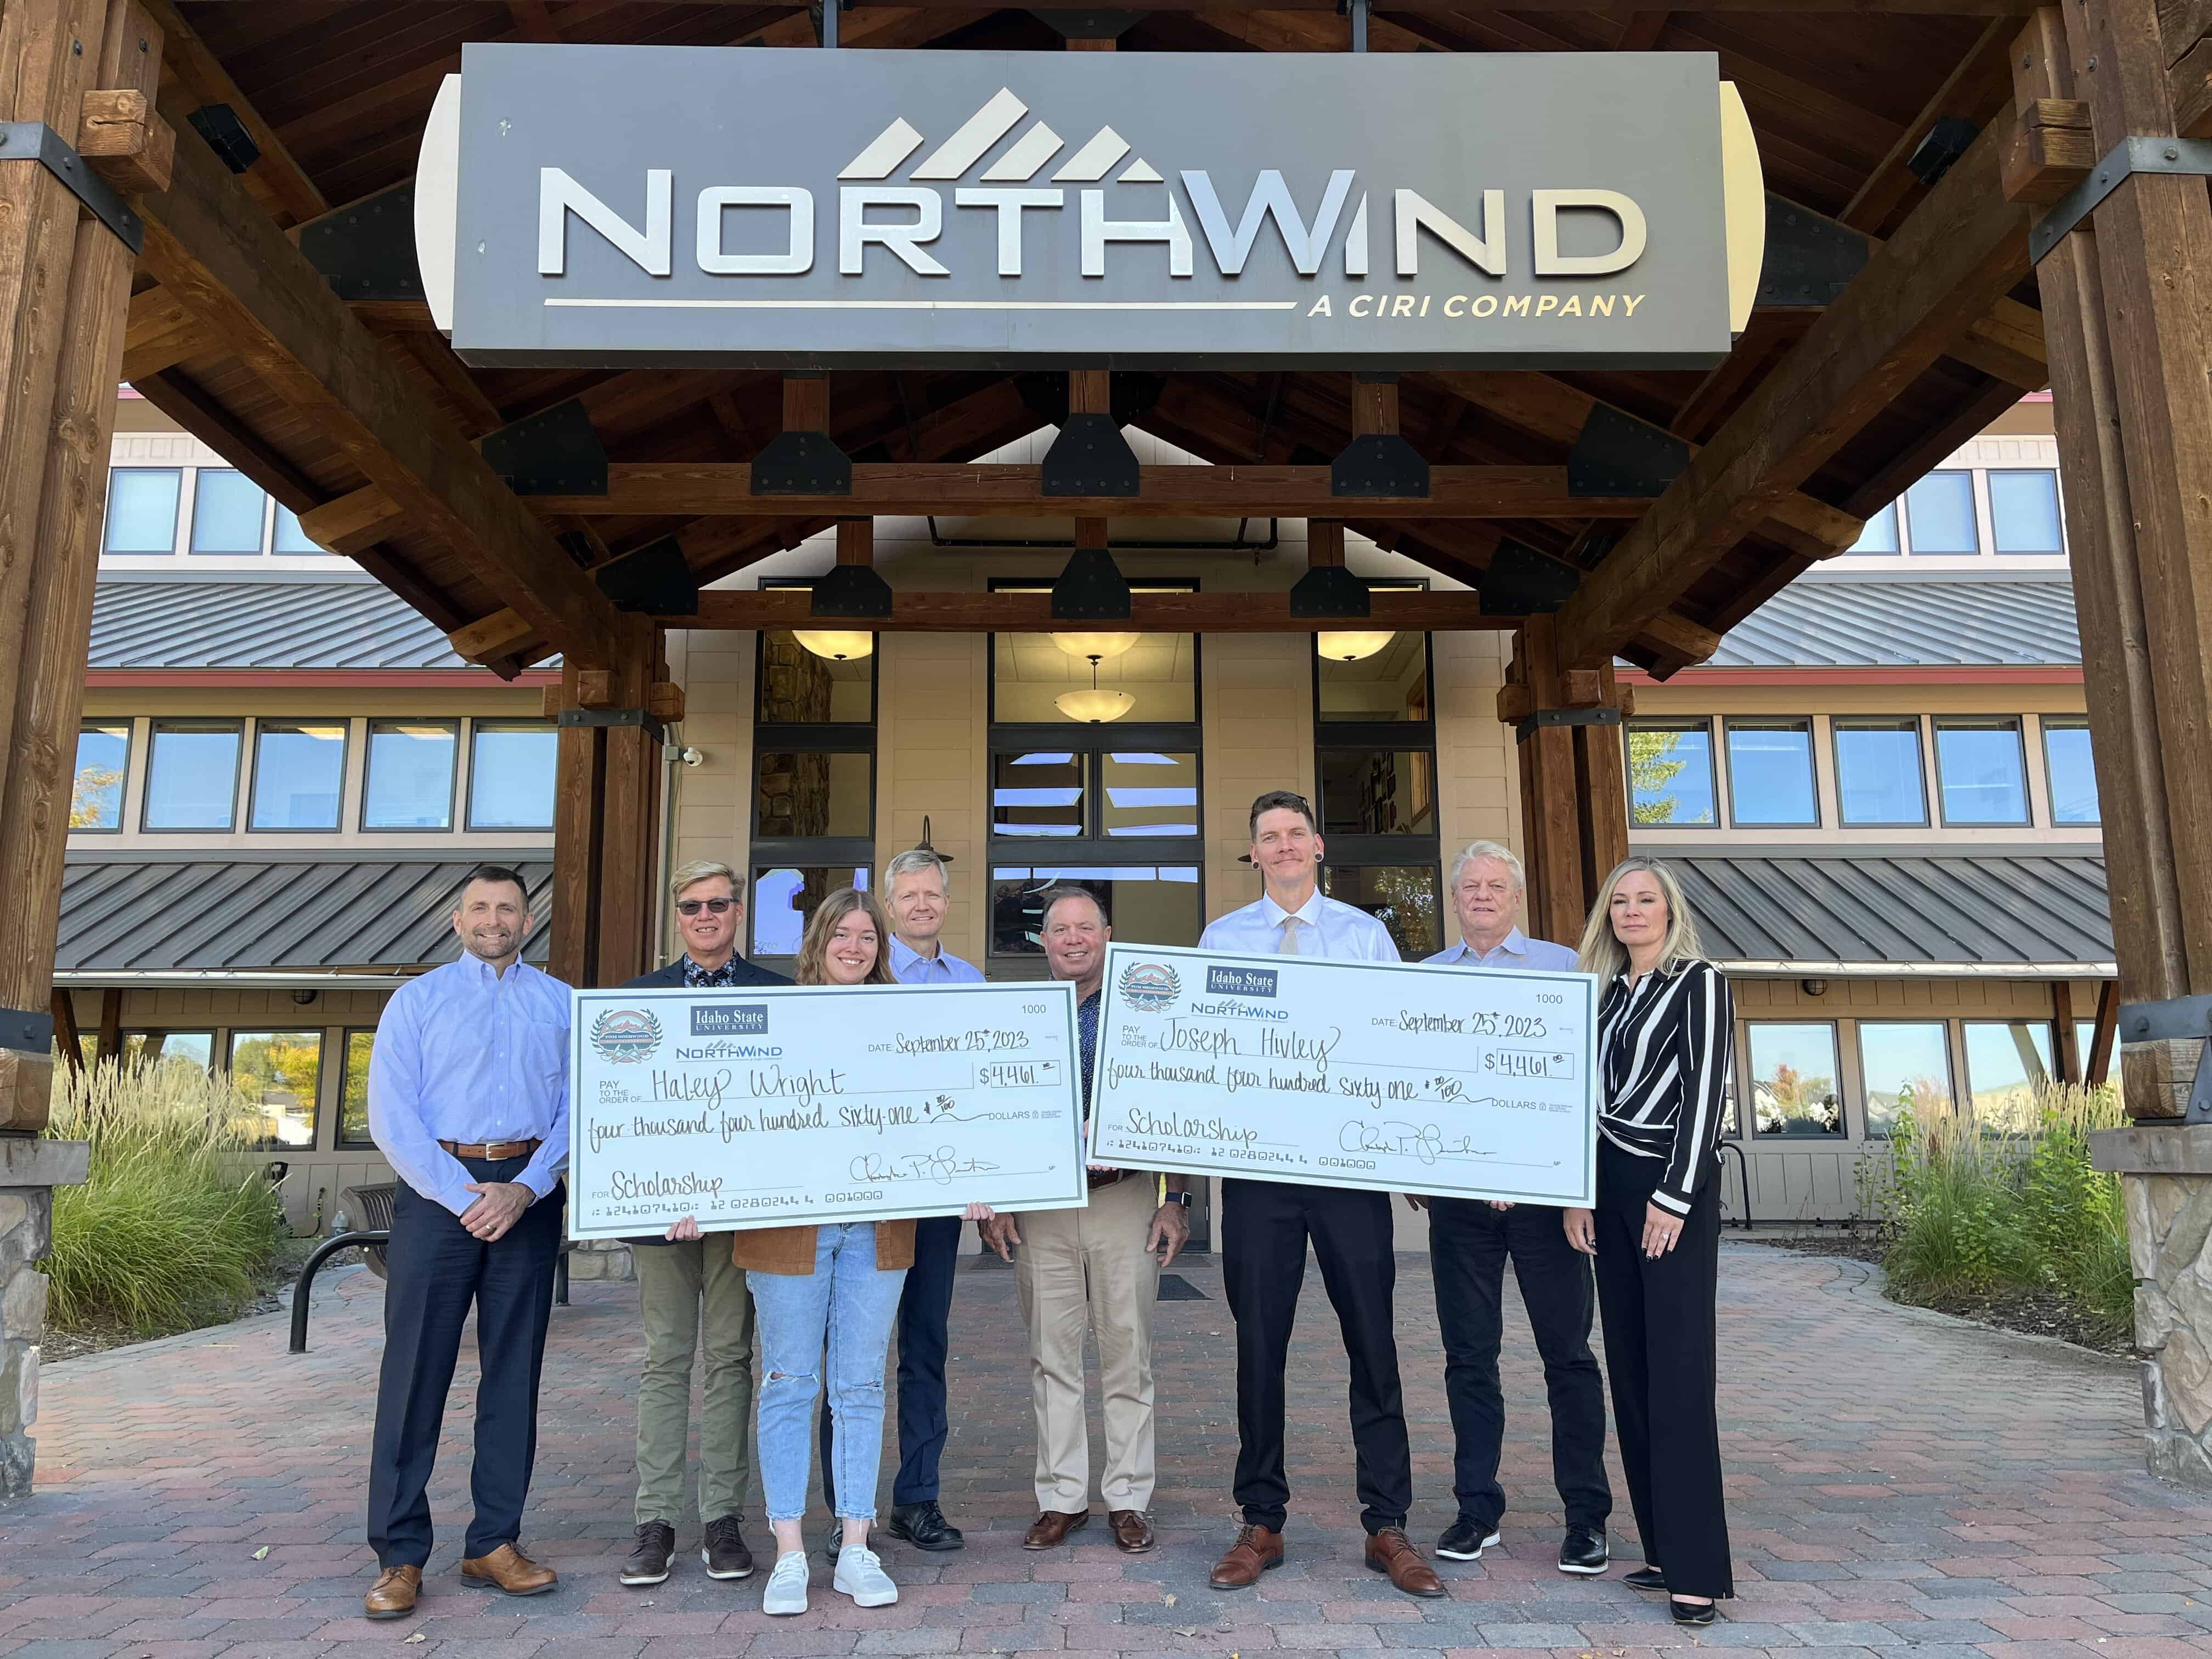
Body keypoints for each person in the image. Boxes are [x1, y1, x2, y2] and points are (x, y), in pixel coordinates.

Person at [666, 888, 996, 1618]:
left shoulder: (906, 1024)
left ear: (881, 949)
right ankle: (789, 1551)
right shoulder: (772, 1017)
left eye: (867, 937)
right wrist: (692, 1189)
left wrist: (974, 1177)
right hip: (789, 1231)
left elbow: (944, 1110)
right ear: (818, 941)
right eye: (842, 934)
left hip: (878, 1229)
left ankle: (855, 1546)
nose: (854, 946)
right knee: (789, 1381)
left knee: (860, 1387)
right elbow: (723, 1111)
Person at [1199, 791, 1442, 1599]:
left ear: (1318, 845)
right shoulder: (1222, 940)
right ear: (1254, 853)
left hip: (1348, 1170)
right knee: (1258, 1348)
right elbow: (1203, 1053)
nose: (1284, 845)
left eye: (1295, 833)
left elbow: (1402, 1043)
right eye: (1269, 836)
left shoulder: (1366, 936)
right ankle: (1261, 1520)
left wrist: (1409, 1149)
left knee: (1373, 1343)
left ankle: (1387, 1524)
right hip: (1260, 1172)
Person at [362, 867, 571, 1620]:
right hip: (436, 1194)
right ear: (457, 920)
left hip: (528, 1195)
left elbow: (582, 1106)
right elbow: (391, 1115)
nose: (494, 919)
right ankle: (400, 1554)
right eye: (480, 907)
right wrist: (462, 1197)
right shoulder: (416, 1002)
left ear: (527, 920)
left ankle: (494, 1542)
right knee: (414, 1374)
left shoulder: (561, 1003)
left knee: (513, 1374)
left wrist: (528, 1187)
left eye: (507, 908)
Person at [1414, 842, 1612, 1573]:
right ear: (1454, 899)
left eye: (1496, 885)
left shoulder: (1566, 970)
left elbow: (1588, 1084)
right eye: (1470, 886)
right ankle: (1477, 1511)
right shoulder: (1425, 980)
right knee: (1469, 1357)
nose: (1483, 896)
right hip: (1461, 1205)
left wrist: (1577, 1189)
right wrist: (1413, 1162)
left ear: (1517, 897)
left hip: (1546, 1204)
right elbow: (1409, 1079)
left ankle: (1586, 1518)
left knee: (1568, 1357)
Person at [980, 886, 1192, 1555]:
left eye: (1086, 927)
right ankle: (1062, 1498)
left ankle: (1128, 1499)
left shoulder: (1145, 1014)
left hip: (1124, 1199)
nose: (1073, 938)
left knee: (1128, 1355)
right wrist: (996, 1196)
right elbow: (988, 1109)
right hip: (1042, 1207)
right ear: (1042, 941)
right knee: (1053, 1358)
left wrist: (1176, 1198)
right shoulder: (1014, 1019)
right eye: (1060, 929)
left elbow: (1177, 1106)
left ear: (1108, 936)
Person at [1562, 859, 1735, 1627]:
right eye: (1621, 902)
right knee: (1631, 1369)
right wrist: (1579, 1194)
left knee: (1678, 1372)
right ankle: (1662, 1548)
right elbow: (1581, 1098)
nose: (1632, 912)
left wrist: (1675, 1196)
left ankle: (1696, 1571)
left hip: (1671, 1189)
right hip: (1609, 1187)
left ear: (1670, 910)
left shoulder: (1699, 982)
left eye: (1647, 900)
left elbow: (1705, 1096)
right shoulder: (1603, 994)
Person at [619, 862, 791, 1589]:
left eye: (718, 903)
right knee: (666, 1360)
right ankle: (655, 1521)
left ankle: (722, 1518)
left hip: (741, 1214)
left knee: (729, 1359)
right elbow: (619, 1110)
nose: (705, 915)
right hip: (659, 1212)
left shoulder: (780, 996)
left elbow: (789, 1103)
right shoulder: (633, 1003)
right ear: (678, 915)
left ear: (739, 912)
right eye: (691, 906)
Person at [818, 847, 980, 1558]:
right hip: (861, 1199)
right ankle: (844, 1509)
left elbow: (986, 1088)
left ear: (946, 901)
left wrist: (991, 1180)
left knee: (925, 1346)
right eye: (908, 895)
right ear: (889, 906)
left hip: (936, 1197)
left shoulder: (973, 984)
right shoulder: (860, 980)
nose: (921, 905)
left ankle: (917, 1498)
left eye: (931, 894)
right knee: (848, 1356)